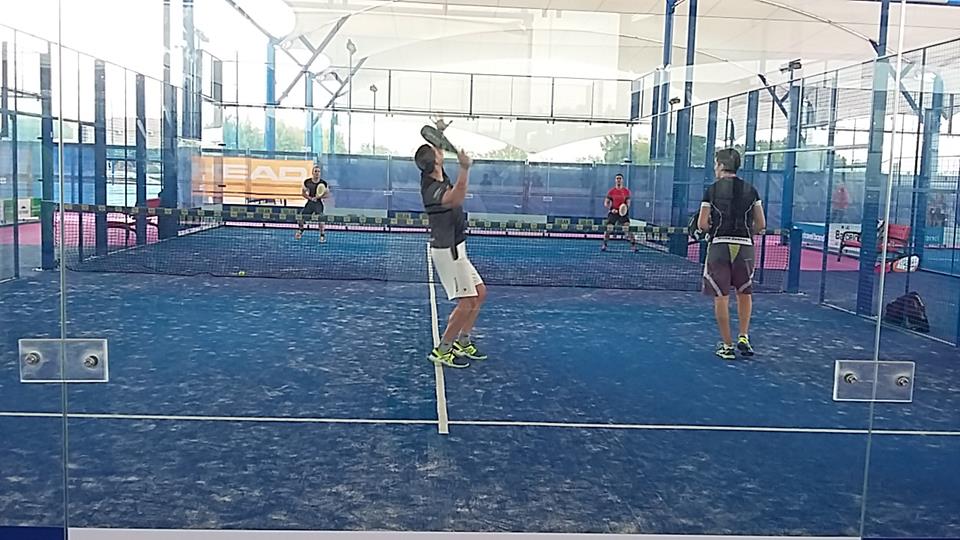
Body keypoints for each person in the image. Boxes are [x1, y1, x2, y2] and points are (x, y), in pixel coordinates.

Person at [417, 143, 488, 368]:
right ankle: (443, 349)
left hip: (458, 247)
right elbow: (456, 198)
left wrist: (439, 131)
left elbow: (437, 148)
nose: (440, 151)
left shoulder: (438, 175)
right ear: (435, 162)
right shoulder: (431, 189)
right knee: (467, 301)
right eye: (437, 151)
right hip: (448, 251)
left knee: (479, 293)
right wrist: (465, 168)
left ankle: (463, 341)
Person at [697, 148, 766, 360]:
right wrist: (747, 233)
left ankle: (727, 346)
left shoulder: (712, 190)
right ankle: (743, 336)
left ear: (720, 165)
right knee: (744, 293)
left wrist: (710, 229)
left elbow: (702, 224)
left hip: (719, 246)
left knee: (721, 296)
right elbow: (761, 224)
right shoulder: (751, 190)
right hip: (745, 246)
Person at [601, 173, 637, 252]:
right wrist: (611, 209)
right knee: (608, 229)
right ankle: (604, 244)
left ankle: (633, 245)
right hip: (613, 213)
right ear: (615, 180)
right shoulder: (611, 191)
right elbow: (606, 203)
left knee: (628, 228)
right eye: (617, 178)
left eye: (620, 178)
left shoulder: (626, 191)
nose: (618, 180)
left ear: (622, 180)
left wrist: (624, 210)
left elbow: (628, 203)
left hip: (623, 213)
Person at [295, 165, 330, 242]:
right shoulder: (307, 182)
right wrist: (310, 198)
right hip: (310, 203)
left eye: (318, 171)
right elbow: (303, 193)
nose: (317, 173)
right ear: (312, 173)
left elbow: (327, 195)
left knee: (321, 219)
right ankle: (300, 230)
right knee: (300, 218)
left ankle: (322, 235)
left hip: (318, 204)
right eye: (315, 171)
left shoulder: (323, 183)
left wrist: (318, 197)